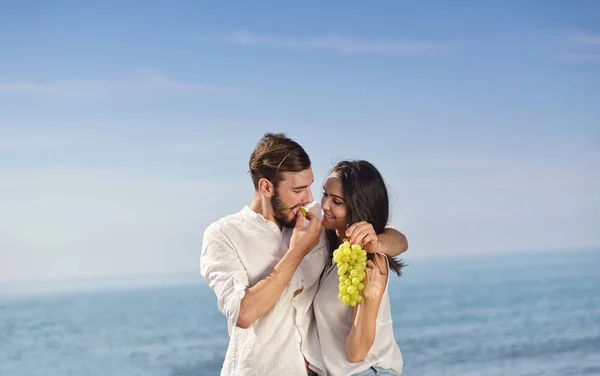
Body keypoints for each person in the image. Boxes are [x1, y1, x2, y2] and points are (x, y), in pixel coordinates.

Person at [200, 133, 408, 376]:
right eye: (299, 189)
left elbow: (395, 236)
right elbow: (243, 314)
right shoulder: (224, 234)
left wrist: (376, 243)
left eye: (310, 187)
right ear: (266, 187)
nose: (309, 198)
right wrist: (297, 251)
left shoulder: (316, 219)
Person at [309, 160, 406, 376]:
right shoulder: (339, 253)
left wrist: (370, 299)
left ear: (358, 207)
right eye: (325, 194)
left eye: (337, 201)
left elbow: (356, 353)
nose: (324, 205)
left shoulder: (370, 261)